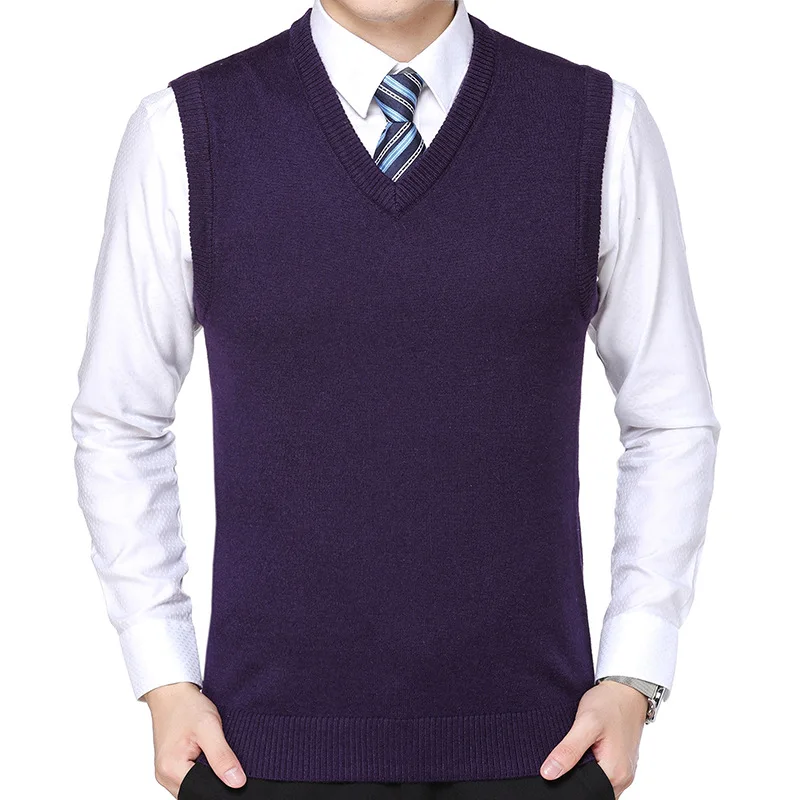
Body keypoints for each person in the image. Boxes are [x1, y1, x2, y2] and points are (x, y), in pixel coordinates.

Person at [70, 1, 721, 798]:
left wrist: (634, 672)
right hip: (261, 754)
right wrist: (163, 674)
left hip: (540, 752)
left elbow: (669, 417)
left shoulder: (599, 125)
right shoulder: (184, 130)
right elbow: (120, 419)